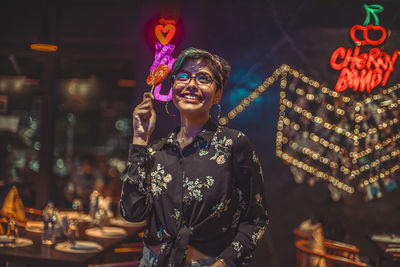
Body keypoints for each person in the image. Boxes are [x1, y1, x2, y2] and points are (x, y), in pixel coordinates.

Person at [120, 47, 269, 267]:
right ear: (172, 88)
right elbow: (132, 213)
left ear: (217, 93)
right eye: (183, 76)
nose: (191, 84)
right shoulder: (156, 150)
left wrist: (224, 263)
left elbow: (256, 220)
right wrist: (140, 139)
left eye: (203, 78)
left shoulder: (233, 145)